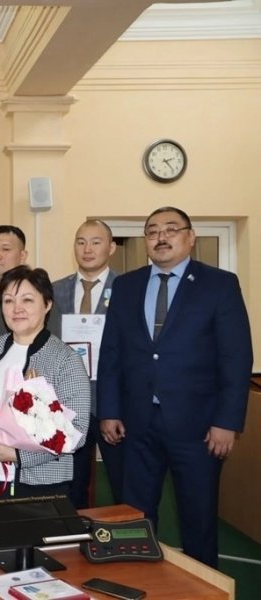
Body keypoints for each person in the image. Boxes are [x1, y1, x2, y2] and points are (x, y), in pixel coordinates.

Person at [97, 206, 252, 568]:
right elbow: (112, 352)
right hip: (137, 423)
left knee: (198, 518)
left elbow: (236, 357)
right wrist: (109, 410)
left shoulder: (220, 284)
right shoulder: (127, 285)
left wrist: (227, 422)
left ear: (190, 237)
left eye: (171, 229)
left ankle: (203, 586)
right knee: (135, 515)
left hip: (198, 428)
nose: (161, 237)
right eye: (152, 231)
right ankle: (139, 581)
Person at [0, 265, 90, 501]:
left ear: (47, 304)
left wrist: (18, 456)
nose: (16, 308)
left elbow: (77, 432)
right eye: (8, 301)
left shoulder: (65, 359)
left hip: (39, 485)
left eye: (27, 300)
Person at [47, 219, 123, 507]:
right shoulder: (54, 291)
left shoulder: (127, 288)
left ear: (111, 247)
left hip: (113, 403)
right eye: (81, 242)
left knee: (123, 483)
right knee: (70, 485)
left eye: (95, 242)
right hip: (66, 402)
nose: (87, 249)